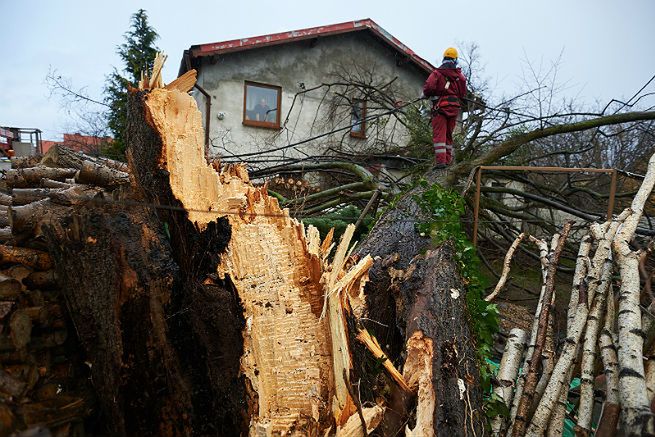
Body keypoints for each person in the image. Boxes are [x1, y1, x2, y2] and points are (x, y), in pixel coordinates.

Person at [423, 47, 467, 168]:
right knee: (448, 136)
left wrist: (426, 95)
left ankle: (441, 162)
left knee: (439, 136)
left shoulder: (437, 73)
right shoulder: (460, 77)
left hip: (440, 108)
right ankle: (447, 160)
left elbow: (429, 88)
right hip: (454, 109)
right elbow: (463, 94)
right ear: (455, 60)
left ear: (444, 58)